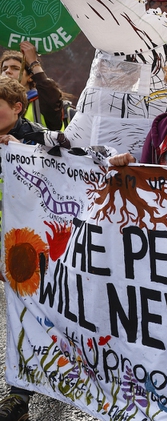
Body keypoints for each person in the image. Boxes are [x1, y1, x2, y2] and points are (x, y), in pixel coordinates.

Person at [0, 76, 69, 421]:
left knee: (26, 309)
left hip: (31, 243)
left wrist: (25, 153)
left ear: (17, 107)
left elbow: (69, 167)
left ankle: (19, 395)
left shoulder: (37, 137)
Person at [1, 42, 63, 131]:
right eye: (4, 69)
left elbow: (50, 95)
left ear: (30, 77)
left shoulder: (41, 100)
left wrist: (33, 62)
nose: (7, 71)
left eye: (15, 68)